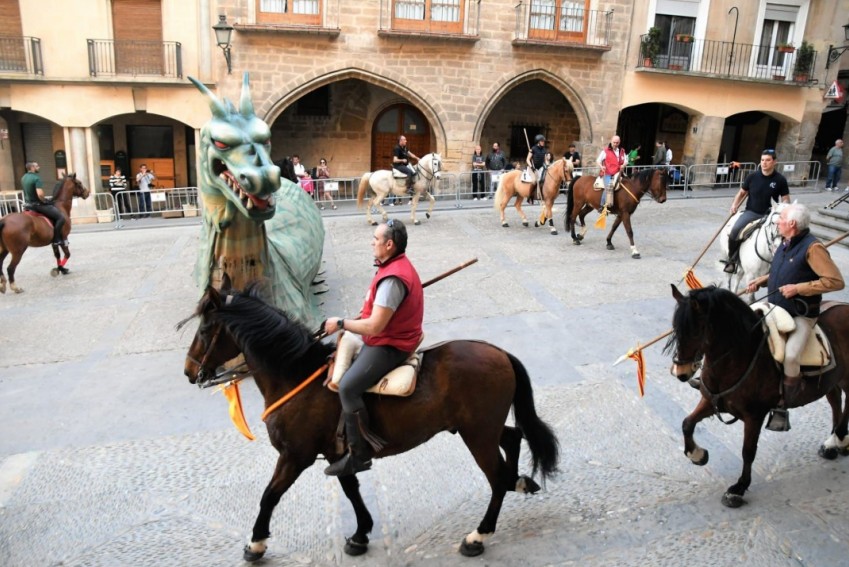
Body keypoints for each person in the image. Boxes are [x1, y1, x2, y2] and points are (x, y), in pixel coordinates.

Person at [323, 219, 424, 476]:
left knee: (347, 387)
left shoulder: (393, 279)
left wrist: (342, 323)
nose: (372, 242)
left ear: (389, 245)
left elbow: (375, 327)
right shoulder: (392, 265)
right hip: (391, 334)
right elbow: (377, 310)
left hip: (391, 343)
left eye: (376, 239)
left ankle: (359, 455)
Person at [744, 203, 844, 426]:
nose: (777, 222)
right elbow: (781, 271)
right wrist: (761, 281)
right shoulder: (785, 242)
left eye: (780, 219)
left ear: (792, 224)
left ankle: (783, 406)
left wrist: (799, 288)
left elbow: (835, 281)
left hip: (801, 314)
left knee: (790, 356)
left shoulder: (813, 248)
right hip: (776, 309)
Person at [724, 149, 791, 274]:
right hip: (752, 212)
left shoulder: (780, 179)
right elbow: (742, 193)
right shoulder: (752, 177)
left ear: (774, 162)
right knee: (734, 231)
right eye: (762, 160)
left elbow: (785, 199)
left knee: (786, 236)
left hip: (771, 214)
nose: (764, 163)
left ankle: (784, 263)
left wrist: (785, 211)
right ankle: (732, 260)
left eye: (768, 160)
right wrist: (734, 205)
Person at [21, 161, 65, 245]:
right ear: (32, 168)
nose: (39, 167)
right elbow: (40, 194)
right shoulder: (36, 178)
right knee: (60, 218)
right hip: (37, 205)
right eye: (37, 166)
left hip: (28, 205)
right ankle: (56, 240)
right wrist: (44, 200)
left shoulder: (23, 177)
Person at [596, 135, 626, 208]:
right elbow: (598, 160)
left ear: (619, 142)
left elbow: (626, 160)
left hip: (619, 173)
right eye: (614, 142)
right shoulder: (605, 151)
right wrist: (601, 166)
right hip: (608, 173)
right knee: (609, 187)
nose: (615, 144)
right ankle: (602, 205)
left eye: (617, 143)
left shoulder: (622, 151)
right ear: (611, 142)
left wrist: (623, 165)